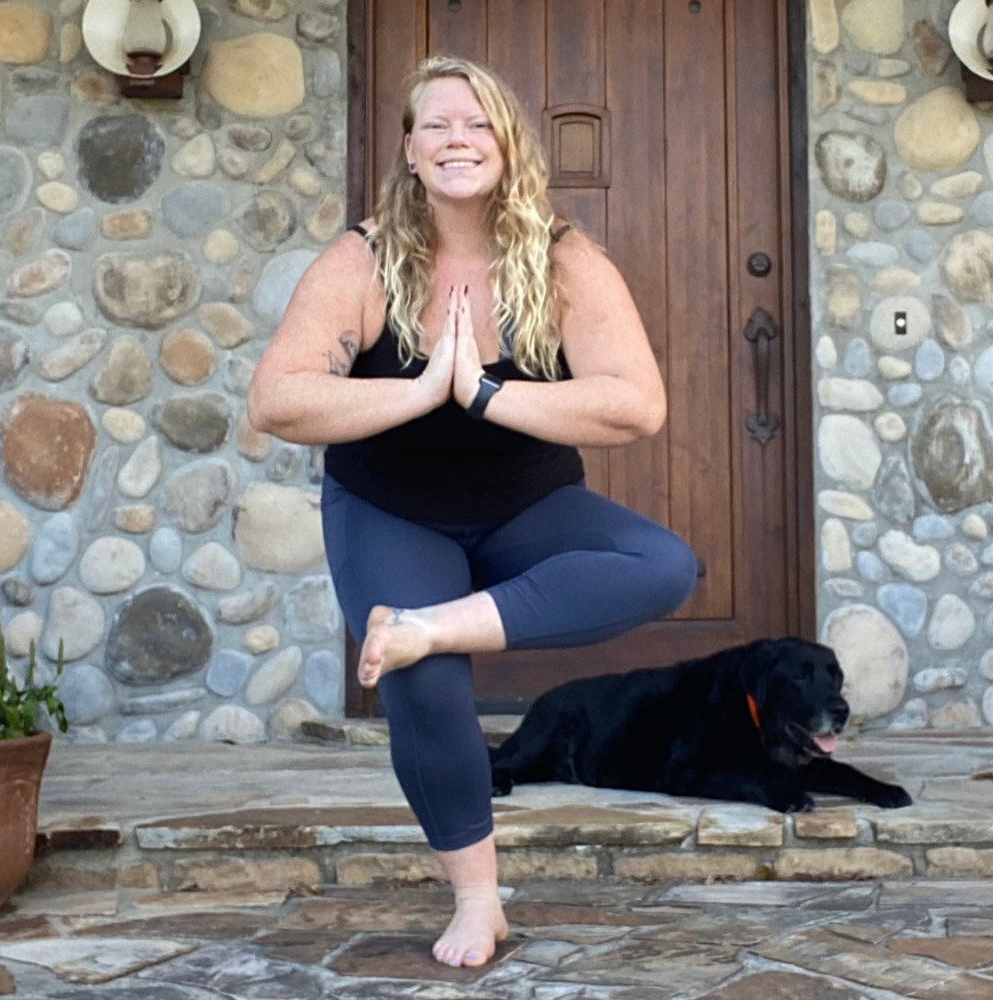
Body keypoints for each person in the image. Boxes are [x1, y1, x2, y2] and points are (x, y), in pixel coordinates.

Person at [247, 55, 697, 970]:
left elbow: (637, 404)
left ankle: (434, 624)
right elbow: (279, 400)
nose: (459, 139)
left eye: (478, 123)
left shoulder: (561, 257)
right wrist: (423, 393)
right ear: (409, 150)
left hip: (526, 506)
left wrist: (484, 396)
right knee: (422, 680)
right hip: (391, 510)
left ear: (508, 143)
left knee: (663, 565)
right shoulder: (364, 260)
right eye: (437, 125)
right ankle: (479, 900)